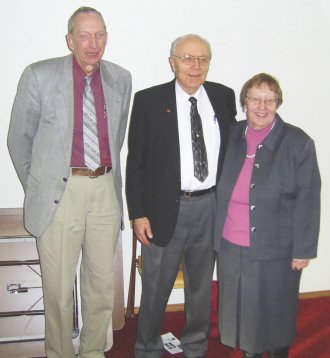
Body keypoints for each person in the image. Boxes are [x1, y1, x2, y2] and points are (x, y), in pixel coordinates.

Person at [7, 7, 131, 358]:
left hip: (105, 189)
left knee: (100, 284)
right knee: (59, 289)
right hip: (61, 193)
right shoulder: (39, 76)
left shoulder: (121, 78)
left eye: (100, 35)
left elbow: (116, 136)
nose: (94, 43)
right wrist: (39, 186)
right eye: (85, 35)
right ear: (70, 40)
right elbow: (19, 139)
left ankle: (92, 351)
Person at [126, 34, 237, 358]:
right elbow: (136, 163)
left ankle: (195, 346)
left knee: (201, 287)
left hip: (210, 206)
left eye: (203, 59)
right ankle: (146, 347)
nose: (195, 65)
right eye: (187, 58)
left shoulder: (223, 96)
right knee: (156, 287)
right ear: (172, 61)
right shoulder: (148, 100)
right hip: (164, 209)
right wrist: (138, 213)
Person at [214, 73, 321, 358]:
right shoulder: (232, 134)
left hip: (277, 248)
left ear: (278, 103)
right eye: (255, 99)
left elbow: (309, 199)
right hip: (231, 244)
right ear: (244, 102)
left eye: (269, 100)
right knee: (243, 313)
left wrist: (303, 250)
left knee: (275, 316)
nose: (261, 106)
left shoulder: (298, 142)